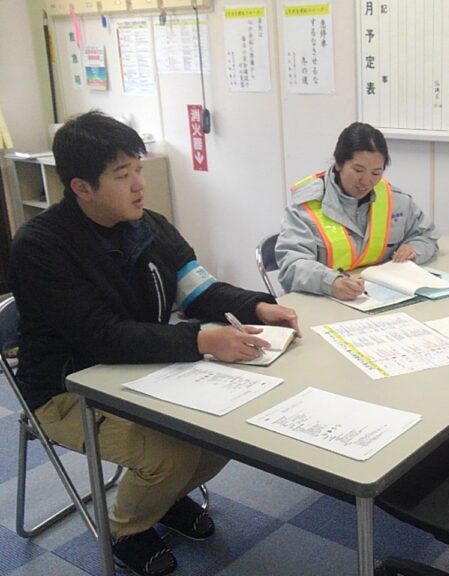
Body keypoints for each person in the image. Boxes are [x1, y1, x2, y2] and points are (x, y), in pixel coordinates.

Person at [9, 110, 300, 576]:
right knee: (173, 451)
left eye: (139, 169)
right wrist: (202, 339)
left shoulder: (151, 226)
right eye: (122, 175)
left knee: (227, 433)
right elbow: (101, 337)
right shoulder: (42, 246)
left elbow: (200, 288)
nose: (138, 184)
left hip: (144, 371)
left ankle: (162, 501)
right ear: (81, 187)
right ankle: (127, 531)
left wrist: (257, 307)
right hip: (68, 389)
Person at [275, 121, 440, 300]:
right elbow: (292, 266)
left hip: (376, 298)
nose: (366, 181)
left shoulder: (396, 200)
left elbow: (427, 235)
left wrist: (414, 248)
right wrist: (330, 282)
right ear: (338, 164)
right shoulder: (306, 207)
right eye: (358, 170)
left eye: (376, 173)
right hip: (323, 300)